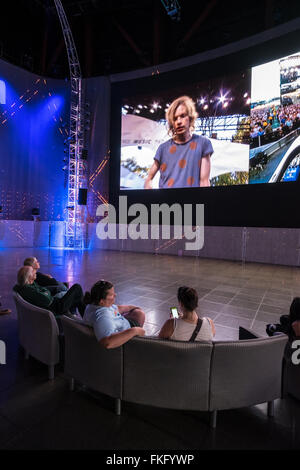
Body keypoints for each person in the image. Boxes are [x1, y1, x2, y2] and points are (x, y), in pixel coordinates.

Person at [144, 95, 213, 189]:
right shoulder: (162, 149)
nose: (179, 121)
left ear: (190, 118)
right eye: (175, 118)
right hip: (166, 203)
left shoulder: (203, 144)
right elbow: (149, 179)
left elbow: (204, 181)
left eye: (182, 116)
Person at [83, 280, 146, 349]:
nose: (115, 295)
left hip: (120, 323)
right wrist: (135, 331)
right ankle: (136, 343)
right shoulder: (103, 316)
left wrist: (131, 307)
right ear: (102, 301)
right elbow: (107, 343)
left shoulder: (94, 304)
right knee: (140, 315)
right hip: (126, 331)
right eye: (111, 295)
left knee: (138, 312)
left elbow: (117, 308)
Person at [13, 266, 85, 317]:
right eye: (32, 271)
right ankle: (84, 317)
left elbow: (45, 291)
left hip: (53, 303)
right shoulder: (30, 290)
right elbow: (47, 299)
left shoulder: (29, 283)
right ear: (29, 277)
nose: (35, 272)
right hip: (56, 308)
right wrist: (45, 292)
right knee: (77, 288)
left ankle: (76, 314)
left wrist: (45, 291)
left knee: (76, 295)